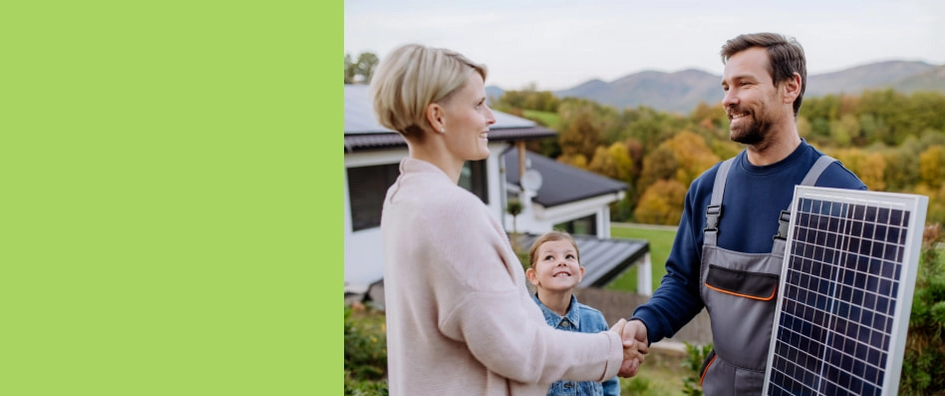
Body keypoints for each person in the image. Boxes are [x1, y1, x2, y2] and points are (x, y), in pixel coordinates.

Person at [371, 43, 643, 396]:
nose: (491, 117)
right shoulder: (450, 212)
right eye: (479, 104)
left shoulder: (401, 198)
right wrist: (610, 349)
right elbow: (519, 349)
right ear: (437, 117)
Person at [622, 33, 868, 395]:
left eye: (744, 84)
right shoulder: (707, 188)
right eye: (725, 86)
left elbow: (867, 321)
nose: (728, 100)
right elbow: (684, 282)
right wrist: (643, 325)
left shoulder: (840, 193)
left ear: (790, 87)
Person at [525, 232, 620, 396]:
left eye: (569, 256)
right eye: (549, 258)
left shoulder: (595, 321)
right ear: (533, 276)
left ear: (580, 273)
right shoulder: (525, 323)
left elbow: (609, 378)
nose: (561, 262)